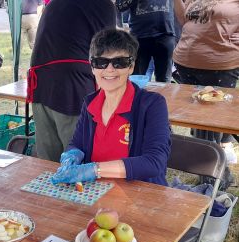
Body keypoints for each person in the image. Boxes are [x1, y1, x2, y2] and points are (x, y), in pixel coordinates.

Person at [51, 28, 171, 186]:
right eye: (101, 62)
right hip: (93, 192)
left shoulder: (152, 105)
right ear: (92, 67)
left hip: (139, 196)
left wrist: (95, 170)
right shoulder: (90, 103)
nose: (109, 69)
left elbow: (154, 162)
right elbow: (77, 143)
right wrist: (71, 155)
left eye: (119, 62)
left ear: (131, 66)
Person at [29, 0, 116, 162]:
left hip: (40, 85)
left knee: (47, 163)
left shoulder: (56, 3)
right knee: (79, 161)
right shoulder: (104, 5)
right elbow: (108, 52)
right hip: (71, 87)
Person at [173, 0, 239, 163]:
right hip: (185, 63)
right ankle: (205, 158)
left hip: (220, 63)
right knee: (197, 116)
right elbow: (184, 21)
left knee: (215, 116)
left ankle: (212, 164)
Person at [115, 0, 175, 82]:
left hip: (165, 33)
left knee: (164, 81)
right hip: (139, 36)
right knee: (136, 79)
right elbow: (119, 6)